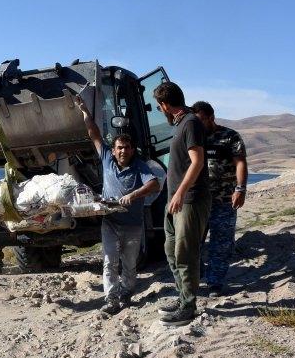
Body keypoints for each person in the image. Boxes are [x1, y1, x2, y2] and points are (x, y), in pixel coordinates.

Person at [76, 95, 160, 315]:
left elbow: (154, 185)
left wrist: (134, 194)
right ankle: (111, 299)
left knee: (129, 265)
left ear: (132, 150)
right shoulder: (106, 159)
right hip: (110, 223)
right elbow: (94, 134)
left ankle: (126, 293)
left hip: (133, 225)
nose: (123, 151)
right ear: (113, 150)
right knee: (109, 262)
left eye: (127, 148)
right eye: (119, 148)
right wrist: (85, 112)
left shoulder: (140, 167)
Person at [153, 82, 211, 326]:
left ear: (165, 105)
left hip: (190, 199)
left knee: (185, 254)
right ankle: (183, 297)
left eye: (159, 107)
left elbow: (197, 161)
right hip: (175, 202)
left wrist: (180, 193)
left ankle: (188, 306)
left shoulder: (191, 123)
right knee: (170, 250)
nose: (160, 111)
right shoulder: (180, 125)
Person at [192, 101, 248, 297]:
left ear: (211, 118)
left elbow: (240, 163)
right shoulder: (194, 138)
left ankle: (215, 283)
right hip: (198, 200)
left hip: (224, 200)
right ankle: (194, 280)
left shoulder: (229, 136)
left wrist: (240, 189)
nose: (197, 125)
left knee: (221, 243)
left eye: (201, 121)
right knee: (193, 242)